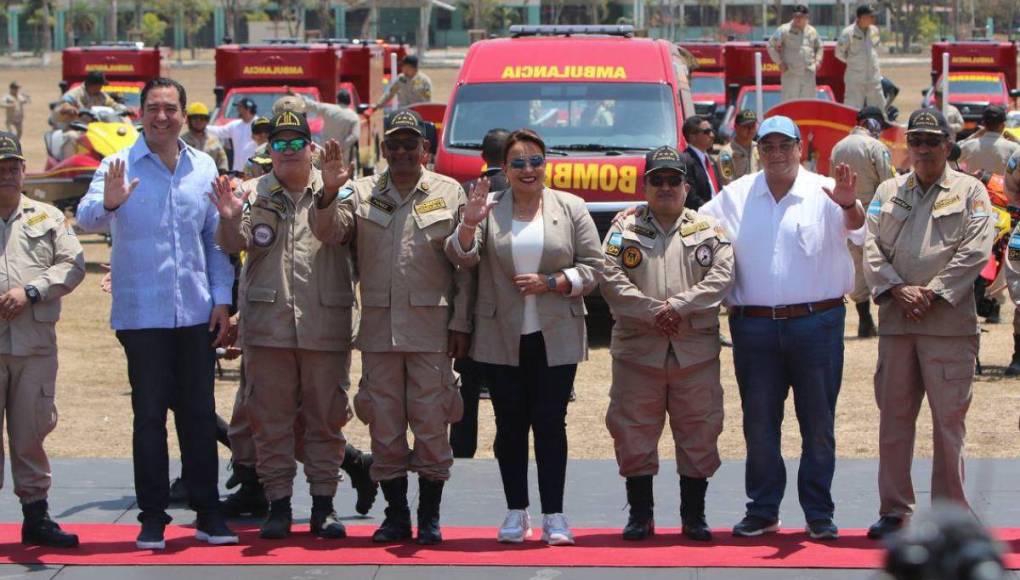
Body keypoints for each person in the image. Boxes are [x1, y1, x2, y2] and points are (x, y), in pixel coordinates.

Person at [76, 77, 238, 550]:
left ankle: (209, 513)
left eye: (170, 108)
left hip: (194, 313)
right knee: (148, 417)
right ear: (139, 114)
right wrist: (111, 200)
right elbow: (86, 217)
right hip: (141, 314)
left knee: (199, 416)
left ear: (184, 115)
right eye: (153, 107)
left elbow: (214, 241)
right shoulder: (116, 164)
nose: (161, 116)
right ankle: (152, 517)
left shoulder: (203, 166)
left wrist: (222, 299)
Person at [699, 116, 865, 540]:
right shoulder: (735, 195)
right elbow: (692, 226)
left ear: (800, 149)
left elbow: (861, 232)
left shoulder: (826, 189)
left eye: (784, 146)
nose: (776, 154)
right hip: (753, 326)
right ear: (758, 151)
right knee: (759, 422)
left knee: (818, 422)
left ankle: (818, 511)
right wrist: (641, 211)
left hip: (817, 322)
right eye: (767, 146)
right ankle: (763, 508)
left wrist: (849, 204)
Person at [449, 128, 602, 545]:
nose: (527, 169)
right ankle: (516, 511)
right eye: (517, 163)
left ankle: (555, 515)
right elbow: (461, 260)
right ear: (505, 168)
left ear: (546, 163)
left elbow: (595, 268)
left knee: (551, 424)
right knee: (509, 426)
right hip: (500, 334)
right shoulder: (488, 207)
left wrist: (553, 281)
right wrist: (468, 223)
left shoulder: (571, 207)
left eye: (534, 161)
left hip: (555, 335)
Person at [210, 111, 356, 540]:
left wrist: (328, 193)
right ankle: (277, 505)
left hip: (323, 326)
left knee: (325, 420)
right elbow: (233, 244)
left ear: (312, 149)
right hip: (268, 327)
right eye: (280, 144)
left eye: (297, 143)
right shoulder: (252, 193)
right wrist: (228, 216)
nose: (288, 151)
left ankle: (324, 506)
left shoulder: (340, 189)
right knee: (269, 421)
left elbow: (338, 235)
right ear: (267, 150)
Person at [338, 109, 471, 545]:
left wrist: (462, 322)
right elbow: (333, 238)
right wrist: (326, 190)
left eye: (409, 144)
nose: (400, 152)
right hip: (378, 331)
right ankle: (396, 515)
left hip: (431, 331)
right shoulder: (359, 193)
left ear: (425, 149)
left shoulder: (449, 193)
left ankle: (429, 516)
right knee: (385, 426)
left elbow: (465, 268)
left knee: (433, 424)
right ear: (383, 150)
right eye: (392, 145)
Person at [863, 108, 995, 540]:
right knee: (894, 421)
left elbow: (976, 250)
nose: (922, 148)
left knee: (949, 424)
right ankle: (895, 512)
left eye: (931, 140)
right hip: (898, 323)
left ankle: (950, 517)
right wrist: (898, 289)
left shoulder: (972, 191)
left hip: (948, 326)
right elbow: (870, 246)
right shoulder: (888, 189)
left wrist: (933, 292)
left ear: (947, 144)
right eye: (915, 140)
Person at [600, 146, 733, 542]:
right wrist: (649, 311)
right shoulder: (623, 230)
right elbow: (608, 275)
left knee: (699, 431)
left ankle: (694, 516)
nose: (665, 187)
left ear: (686, 186)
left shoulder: (708, 229)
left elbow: (723, 275)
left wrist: (678, 306)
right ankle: (641, 516)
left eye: (673, 179)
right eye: (656, 180)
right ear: (645, 185)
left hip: (694, 353)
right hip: (639, 351)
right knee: (633, 432)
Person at [0, 132, 85, 547]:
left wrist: (31, 291)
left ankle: (36, 515)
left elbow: (73, 264)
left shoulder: (48, 217)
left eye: (13, 167)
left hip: (33, 346)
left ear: (24, 170)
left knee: (31, 431)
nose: (7, 175)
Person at [451, 127, 511, 459]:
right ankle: (506, 451)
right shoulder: (525, 192)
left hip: (470, 307)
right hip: (508, 309)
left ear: (483, 158)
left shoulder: (465, 192)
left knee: (467, 389)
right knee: (507, 393)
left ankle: (461, 453)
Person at [830, 105, 895, 338]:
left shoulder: (838, 147)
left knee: (857, 264)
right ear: (873, 124)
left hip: (847, 211)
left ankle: (864, 318)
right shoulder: (876, 147)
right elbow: (889, 182)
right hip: (875, 212)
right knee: (882, 261)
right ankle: (884, 317)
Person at [767, 4, 823, 103]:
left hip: (808, 75)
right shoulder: (784, 30)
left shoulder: (812, 31)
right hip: (791, 74)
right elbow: (770, 45)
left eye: (801, 16)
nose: (798, 19)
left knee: (808, 105)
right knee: (790, 104)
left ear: (806, 17)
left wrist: (818, 61)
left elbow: (819, 47)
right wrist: (779, 62)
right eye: (795, 16)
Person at [836, 4, 885, 111]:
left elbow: (877, 47)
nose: (873, 19)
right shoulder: (848, 33)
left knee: (879, 108)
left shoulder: (874, 30)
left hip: (873, 77)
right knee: (852, 109)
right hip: (855, 79)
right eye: (870, 16)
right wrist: (852, 62)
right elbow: (839, 53)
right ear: (861, 18)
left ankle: (879, 127)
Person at [294, 88, 361, 164]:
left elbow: (311, 105)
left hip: (326, 150)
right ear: (349, 100)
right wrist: (342, 146)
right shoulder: (354, 116)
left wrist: (298, 96)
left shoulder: (328, 109)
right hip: (344, 154)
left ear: (337, 99)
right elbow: (355, 136)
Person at [958, 106, 1019, 175]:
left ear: (983, 124)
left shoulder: (970, 145)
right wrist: (1017, 141)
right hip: (1000, 185)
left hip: (974, 185)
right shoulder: (1013, 148)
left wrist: (974, 135)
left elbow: (952, 153)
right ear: (1003, 125)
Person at [680, 115, 722, 209]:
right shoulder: (686, 161)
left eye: (712, 131)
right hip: (700, 217)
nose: (712, 135)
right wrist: (711, 210)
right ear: (692, 136)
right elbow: (691, 198)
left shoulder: (711, 161)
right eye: (706, 132)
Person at [207, 97, 258, 174]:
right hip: (238, 171)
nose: (237, 110)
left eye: (240, 107)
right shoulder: (235, 125)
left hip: (255, 171)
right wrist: (203, 127)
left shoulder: (259, 125)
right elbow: (219, 131)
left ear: (248, 109)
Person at [181, 102, 229, 174]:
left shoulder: (214, 141)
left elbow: (223, 161)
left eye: (202, 118)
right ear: (189, 120)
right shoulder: (182, 141)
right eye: (195, 118)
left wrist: (223, 174)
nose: (199, 121)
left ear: (207, 120)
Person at [718, 110, 760, 183]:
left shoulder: (759, 148)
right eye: (746, 126)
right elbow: (728, 181)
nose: (750, 129)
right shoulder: (726, 153)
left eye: (753, 126)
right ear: (736, 127)